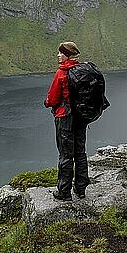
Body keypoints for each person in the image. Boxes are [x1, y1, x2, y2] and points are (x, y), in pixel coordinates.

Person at [44, 41, 90, 201]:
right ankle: (81, 189)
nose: (58, 55)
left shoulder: (61, 73)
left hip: (65, 118)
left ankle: (64, 192)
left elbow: (52, 98)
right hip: (81, 118)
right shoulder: (82, 71)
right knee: (80, 153)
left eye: (61, 53)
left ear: (67, 55)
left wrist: (47, 102)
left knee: (65, 155)